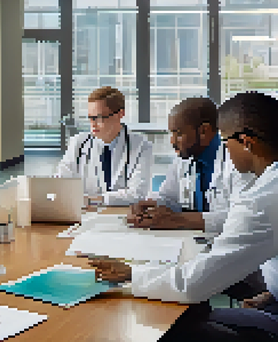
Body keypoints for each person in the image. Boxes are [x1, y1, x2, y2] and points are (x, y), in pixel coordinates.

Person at [89, 91, 278, 341]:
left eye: (225, 140)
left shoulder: (264, 199)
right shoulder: (268, 185)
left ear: (246, 142)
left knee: (177, 322)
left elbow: (191, 286)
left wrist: (131, 274)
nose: (225, 148)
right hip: (270, 299)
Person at [128, 96, 255, 233]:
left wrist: (179, 220)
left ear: (204, 131)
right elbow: (169, 198)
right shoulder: (184, 158)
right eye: (171, 133)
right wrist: (151, 206)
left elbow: (243, 218)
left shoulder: (237, 162)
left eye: (178, 133)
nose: (172, 141)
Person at [55, 86, 153, 206]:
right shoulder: (78, 143)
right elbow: (60, 184)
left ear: (120, 114)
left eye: (99, 117)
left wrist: (94, 200)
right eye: (90, 118)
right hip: (84, 216)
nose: (93, 124)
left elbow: (137, 194)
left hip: (122, 215)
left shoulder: (141, 146)